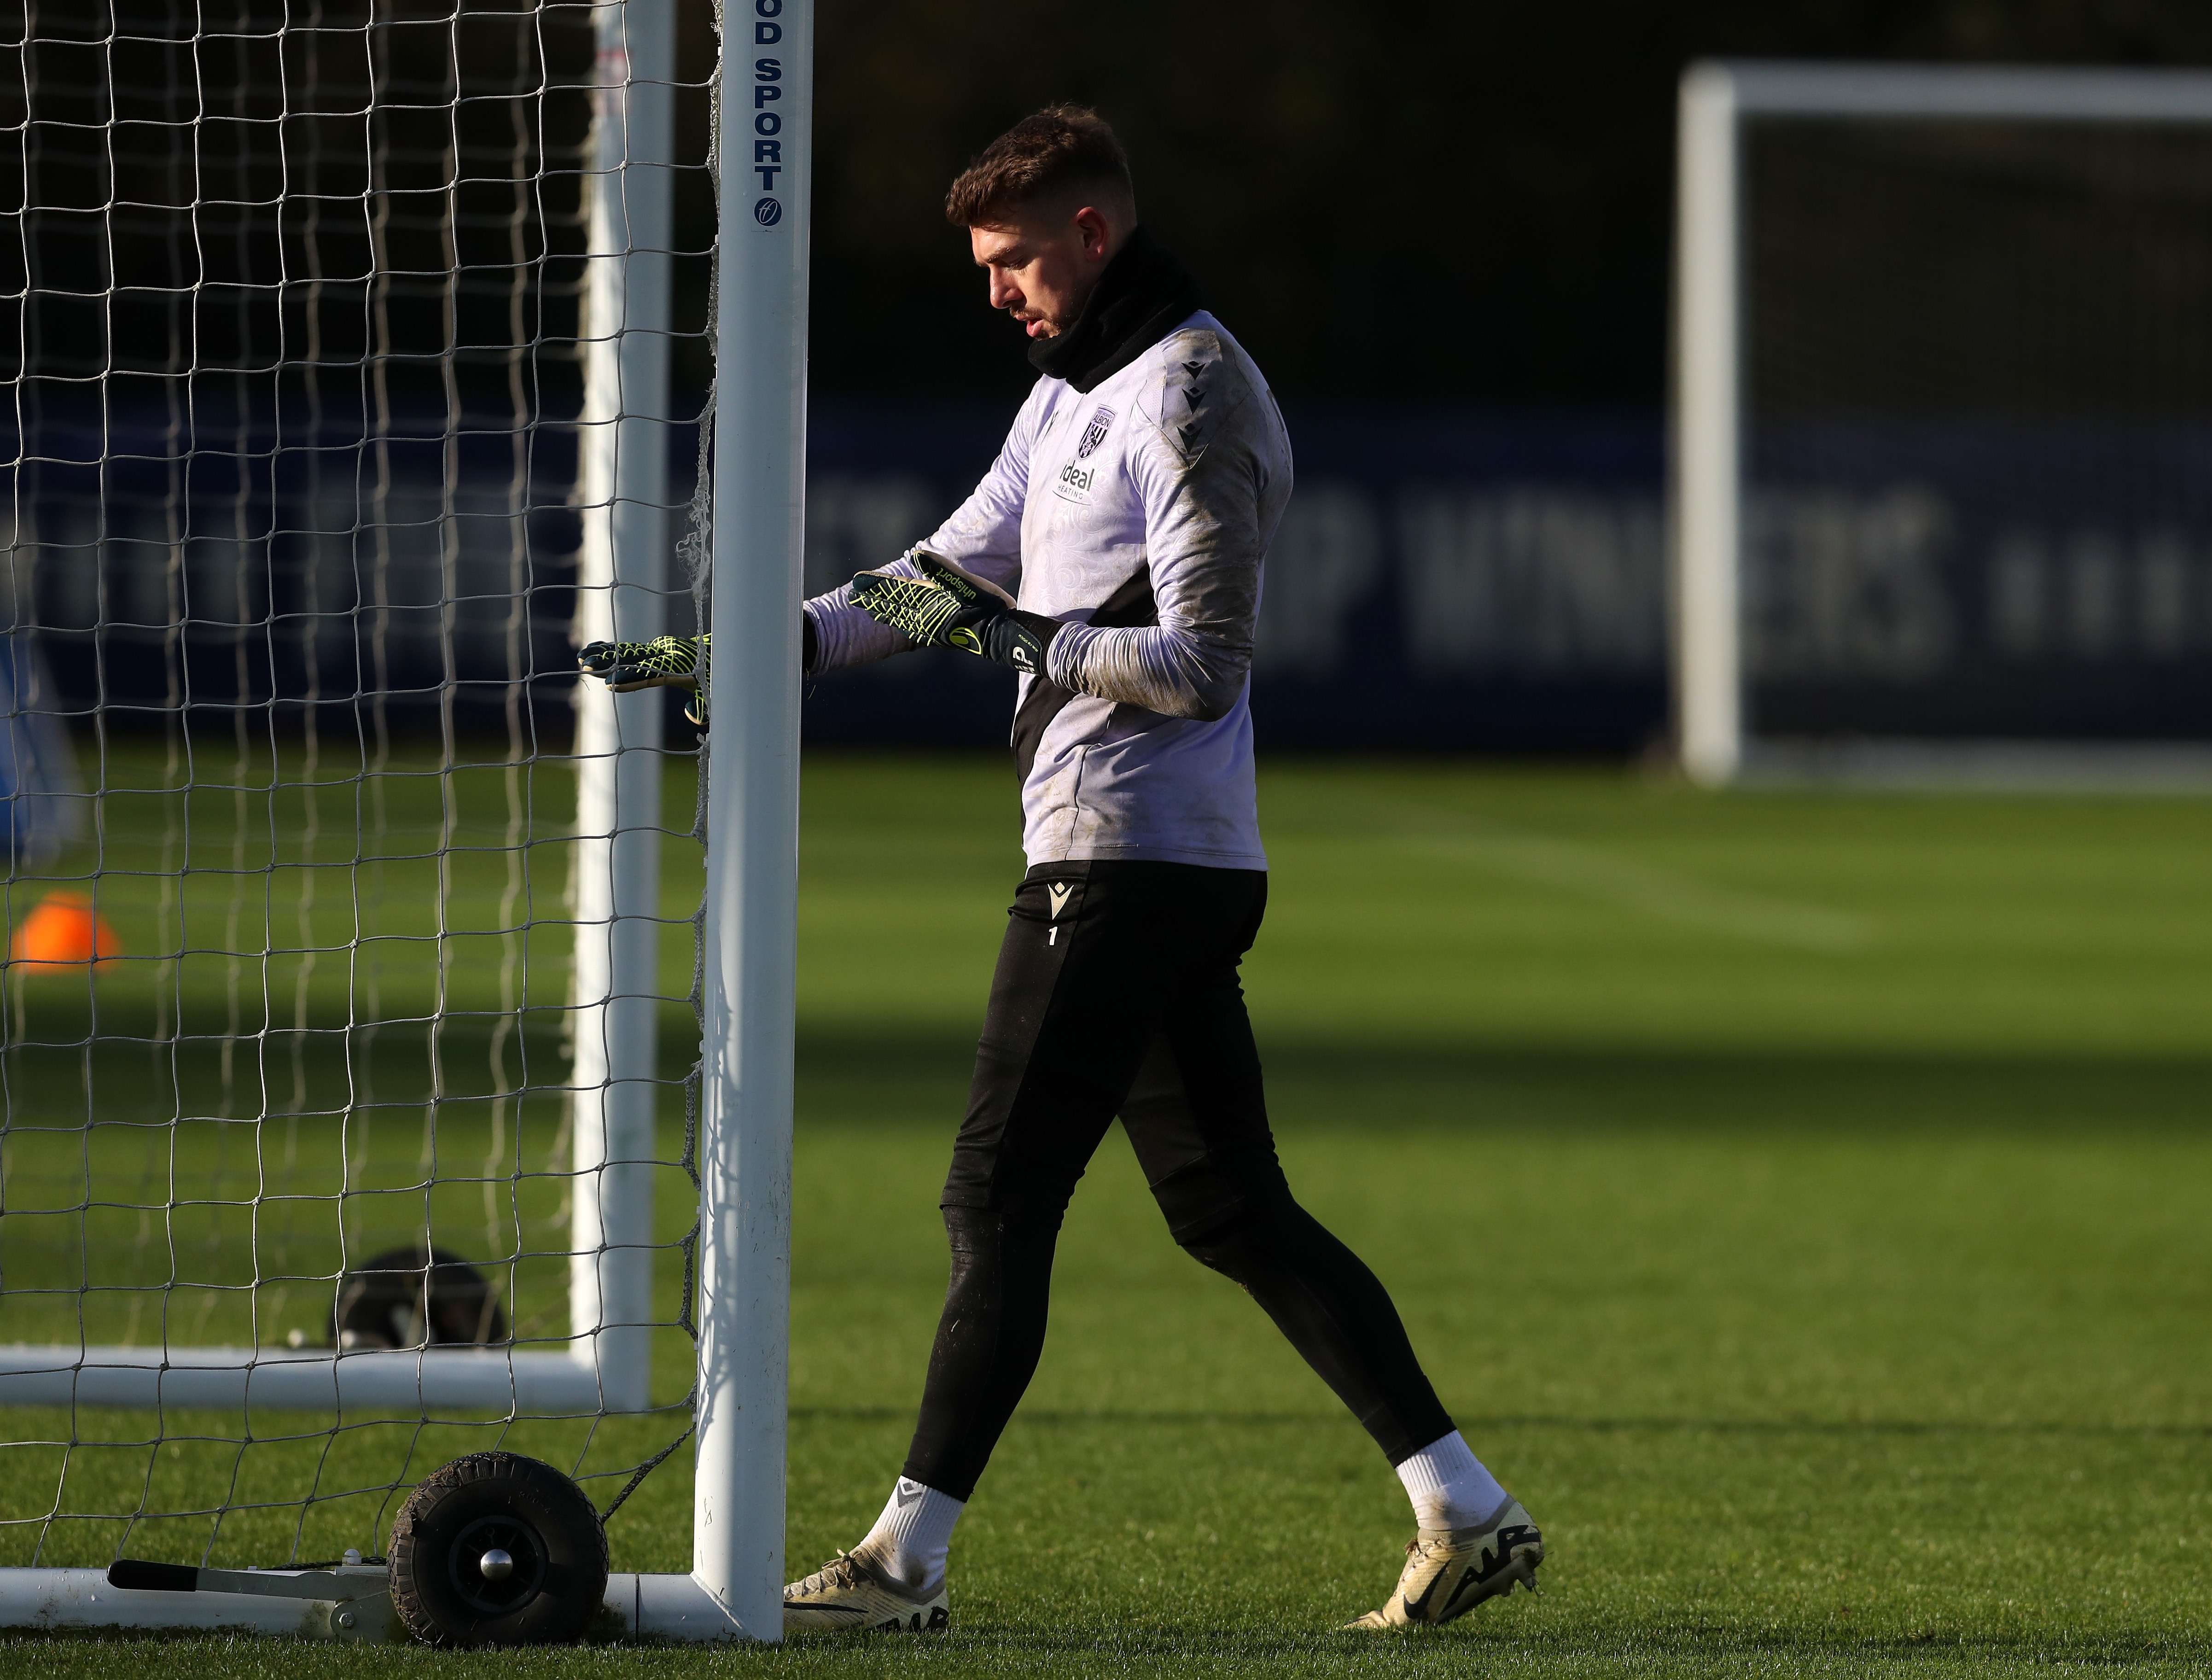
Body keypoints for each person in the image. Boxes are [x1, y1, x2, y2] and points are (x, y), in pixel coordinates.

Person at [582, 105, 1543, 1635]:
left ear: (1094, 235)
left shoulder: (1194, 388)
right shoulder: (1071, 388)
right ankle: (1464, 1506)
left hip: (1132, 856)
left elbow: (1208, 663)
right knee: (1230, 1211)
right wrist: (765, 653)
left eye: (1018, 258)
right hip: (1135, 854)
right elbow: (947, 573)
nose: (998, 290)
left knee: (996, 1199)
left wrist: (1030, 644)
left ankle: (902, 1566)